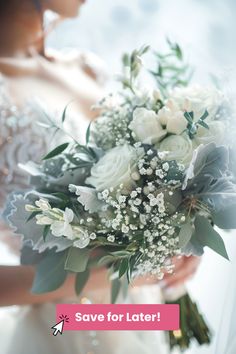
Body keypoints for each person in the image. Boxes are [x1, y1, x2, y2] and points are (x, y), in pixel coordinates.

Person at [0, 1, 200, 353]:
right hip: (64, 327)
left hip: (143, 312)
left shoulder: (85, 66)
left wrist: (182, 236)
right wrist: (114, 272)